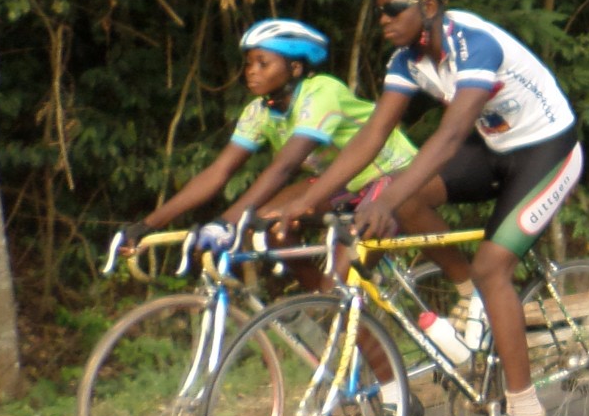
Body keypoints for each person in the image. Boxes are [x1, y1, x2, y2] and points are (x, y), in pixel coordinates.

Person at [269, 0, 584, 416]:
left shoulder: (472, 44)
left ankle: (525, 408)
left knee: (490, 265)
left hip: (548, 152)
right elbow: (373, 136)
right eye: (380, 12)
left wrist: (386, 200)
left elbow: (452, 134)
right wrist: (309, 199)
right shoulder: (408, 62)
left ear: (431, 6)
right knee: (398, 189)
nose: (384, 20)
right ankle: (471, 301)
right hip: (495, 150)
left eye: (393, 9)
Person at [124, 19, 433, 282]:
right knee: (267, 225)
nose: (251, 72)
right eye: (248, 64)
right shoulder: (258, 111)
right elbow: (218, 172)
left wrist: (224, 223)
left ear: (295, 67)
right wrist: (147, 225)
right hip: (342, 184)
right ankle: (310, 311)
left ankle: (335, 303)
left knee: (340, 283)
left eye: (263, 63)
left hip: (392, 175)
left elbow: (284, 167)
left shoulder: (321, 92)